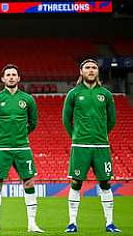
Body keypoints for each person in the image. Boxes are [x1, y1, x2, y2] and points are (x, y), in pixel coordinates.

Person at [0, 64, 43, 233]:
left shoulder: (28, 99)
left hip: (23, 148)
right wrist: (0, 136)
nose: (11, 77)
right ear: (3, 79)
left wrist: (21, 134)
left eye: (14, 74)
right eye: (8, 75)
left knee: (29, 181)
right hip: (2, 148)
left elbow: (34, 123)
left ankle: (32, 224)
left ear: (18, 78)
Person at [63, 59, 120, 233]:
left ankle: (109, 223)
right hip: (80, 146)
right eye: (87, 67)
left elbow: (112, 120)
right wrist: (76, 135)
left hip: (101, 146)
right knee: (76, 182)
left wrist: (101, 134)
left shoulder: (106, 94)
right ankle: (72, 223)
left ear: (97, 71)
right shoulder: (73, 94)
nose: (91, 70)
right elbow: (66, 119)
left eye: (94, 67)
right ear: (81, 71)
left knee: (105, 182)